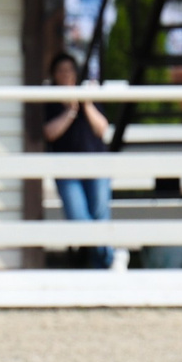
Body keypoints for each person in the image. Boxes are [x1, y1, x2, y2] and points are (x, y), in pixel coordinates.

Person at [37, 53, 115, 268]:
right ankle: (109, 258)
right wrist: (70, 111)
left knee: (100, 213)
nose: (65, 75)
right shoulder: (49, 101)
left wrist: (86, 105)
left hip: (96, 164)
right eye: (60, 71)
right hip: (66, 169)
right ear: (54, 75)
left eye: (69, 70)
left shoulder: (88, 95)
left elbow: (102, 129)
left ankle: (101, 266)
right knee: (78, 216)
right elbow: (49, 133)